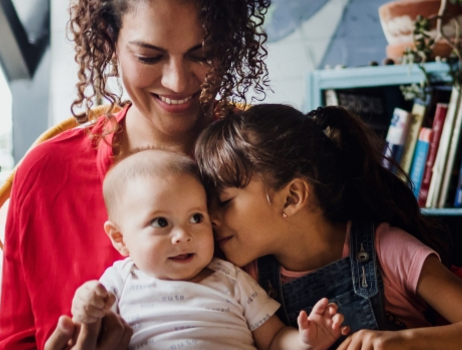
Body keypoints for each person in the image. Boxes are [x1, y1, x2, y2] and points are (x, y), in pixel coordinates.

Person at [0, 0, 271, 350]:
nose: (178, 82)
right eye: (149, 55)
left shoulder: (267, 162)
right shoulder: (49, 175)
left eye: (203, 53)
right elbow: (15, 342)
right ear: (110, 40)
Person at [194, 104, 462, 350]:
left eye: (223, 201)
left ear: (292, 197)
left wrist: (402, 343)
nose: (211, 217)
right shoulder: (244, 278)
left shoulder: (387, 249)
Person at [68, 149, 346, 349]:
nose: (183, 235)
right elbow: (88, 321)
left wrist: (305, 340)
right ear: (120, 238)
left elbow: (273, 339)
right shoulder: (121, 281)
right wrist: (86, 304)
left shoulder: (230, 278)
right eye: (161, 222)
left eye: (196, 218)